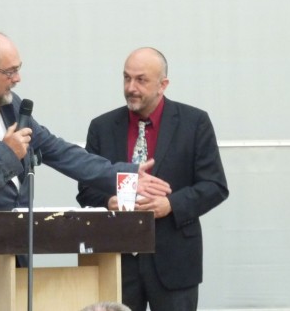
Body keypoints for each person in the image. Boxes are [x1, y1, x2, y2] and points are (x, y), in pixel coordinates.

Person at [0, 29, 168, 311]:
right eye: (10, 71)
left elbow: (59, 151)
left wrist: (123, 175)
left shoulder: (11, 105)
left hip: (12, 260)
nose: (17, 78)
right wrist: (6, 153)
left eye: (18, 69)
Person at [77, 47, 229, 311]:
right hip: (117, 263)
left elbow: (214, 186)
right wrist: (107, 201)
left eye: (141, 79)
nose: (131, 87)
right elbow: (86, 189)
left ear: (163, 85)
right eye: (126, 78)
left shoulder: (194, 123)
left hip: (174, 261)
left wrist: (171, 205)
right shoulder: (101, 127)